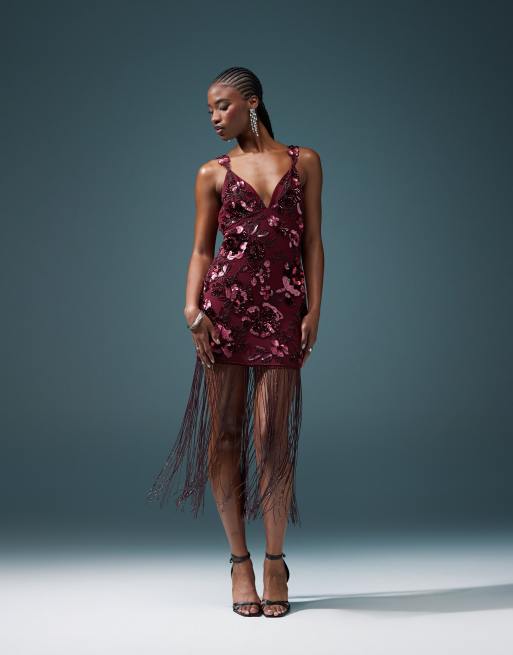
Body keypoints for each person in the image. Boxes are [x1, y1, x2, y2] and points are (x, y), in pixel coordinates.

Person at [146, 66, 324, 618]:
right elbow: (203, 250)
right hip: (225, 311)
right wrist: (191, 307)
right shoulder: (212, 173)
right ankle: (239, 561)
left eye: (222, 105)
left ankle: (276, 559)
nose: (214, 117)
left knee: (271, 436)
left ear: (252, 102)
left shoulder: (304, 161)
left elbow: (313, 241)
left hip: (283, 310)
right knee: (224, 435)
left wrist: (315, 308)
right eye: (209, 110)